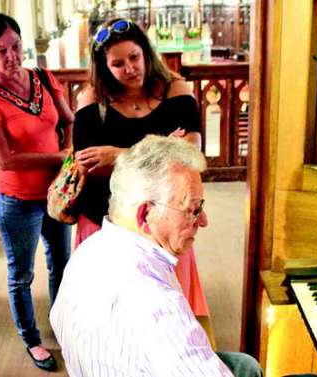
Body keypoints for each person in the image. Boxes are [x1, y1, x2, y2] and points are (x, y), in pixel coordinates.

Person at [50, 135, 263, 377]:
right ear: (145, 214)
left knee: (245, 364)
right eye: (193, 209)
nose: (203, 221)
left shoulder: (87, 252)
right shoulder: (158, 304)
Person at [72, 18, 212, 334]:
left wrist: (117, 154)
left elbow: (190, 153)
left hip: (166, 217)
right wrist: (162, 148)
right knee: (113, 309)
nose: (130, 68)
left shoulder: (175, 87)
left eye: (134, 57)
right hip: (105, 218)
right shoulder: (91, 98)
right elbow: (87, 164)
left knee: (170, 307)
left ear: (146, 53)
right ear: (104, 67)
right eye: (117, 64)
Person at [0, 13, 73, 372]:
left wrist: (68, 161)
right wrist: (57, 157)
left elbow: (68, 119)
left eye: (16, 47)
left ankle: (61, 321)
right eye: (2, 51)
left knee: (62, 262)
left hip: (55, 195)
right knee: (22, 275)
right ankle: (31, 338)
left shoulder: (43, 77)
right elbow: (4, 159)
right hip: (18, 201)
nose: (13, 56)